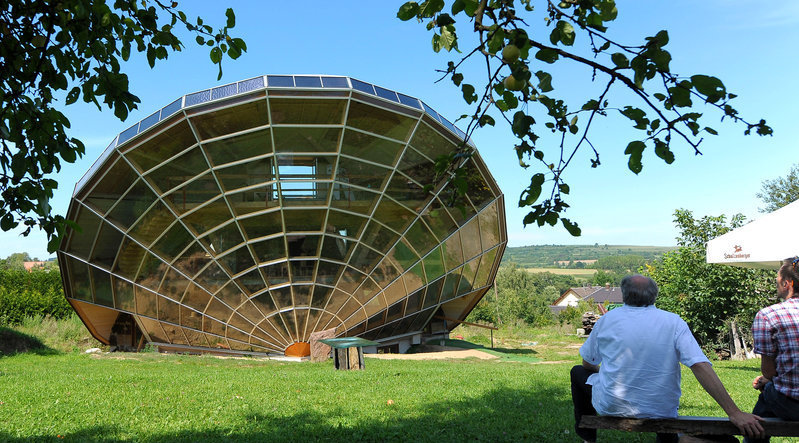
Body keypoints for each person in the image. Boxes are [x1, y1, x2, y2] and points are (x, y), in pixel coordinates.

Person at [571, 274, 764, 442]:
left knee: (577, 372)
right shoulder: (673, 322)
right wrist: (734, 412)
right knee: (659, 397)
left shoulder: (607, 320)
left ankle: (588, 438)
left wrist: (602, 373)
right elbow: (699, 365)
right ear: (654, 296)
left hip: (612, 406)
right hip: (662, 410)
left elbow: (588, 363)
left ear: (624, 295)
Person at [746, 258, 799, 443]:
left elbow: (769, 371)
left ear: (787, 283)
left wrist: (764, 381)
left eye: (777, 280)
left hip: (791, 404)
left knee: (767, 394)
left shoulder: (769, 315)